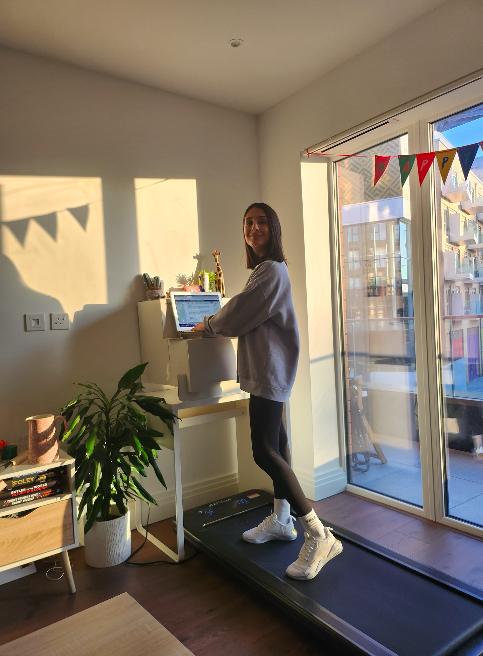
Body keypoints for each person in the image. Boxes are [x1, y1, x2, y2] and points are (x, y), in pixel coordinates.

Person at [191, 202, 342, 580]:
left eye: (261, 222)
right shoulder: (263, 271)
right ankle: (281, 519)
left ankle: (318, 532)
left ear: (273, 229)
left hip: (269, 372)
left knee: (264, 451)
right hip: (268, 371)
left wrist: (205, 324)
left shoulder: (271, 271)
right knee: (279, 442)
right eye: (248, 223)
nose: (254, 228)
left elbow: (238, 314)